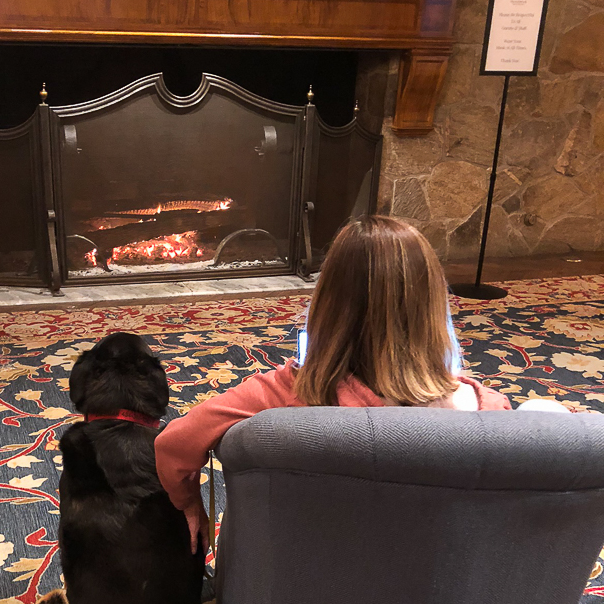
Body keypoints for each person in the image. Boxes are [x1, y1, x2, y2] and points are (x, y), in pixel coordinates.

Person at [155, 215, 512, 555]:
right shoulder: (490, 413)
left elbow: (172, 445)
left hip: (302, 585)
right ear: (433, 306)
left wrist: (188, 503)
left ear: (326, 302)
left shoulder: (278, 395)